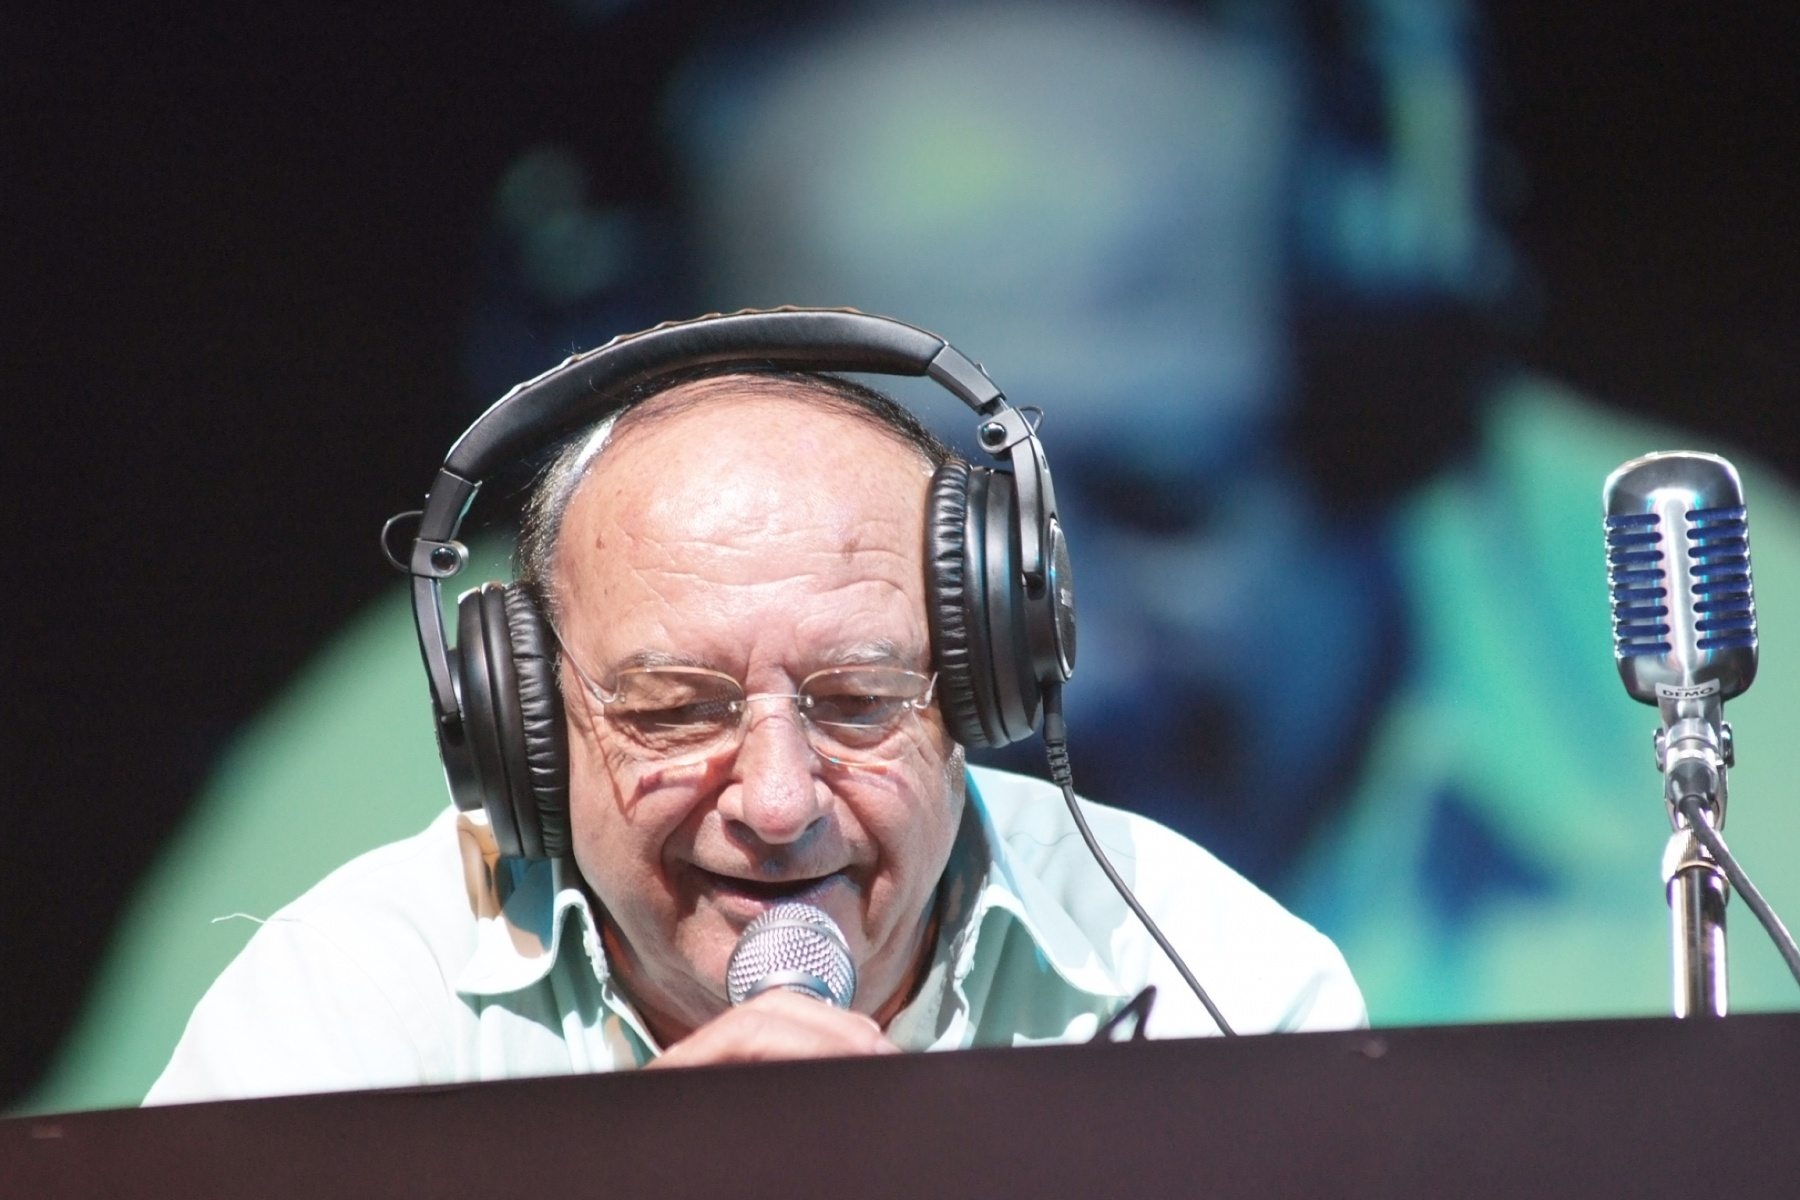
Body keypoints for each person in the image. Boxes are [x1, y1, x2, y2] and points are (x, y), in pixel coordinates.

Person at [145, 356, 1364, 1103]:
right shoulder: (353, 999)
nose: (779, 805)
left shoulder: (1217, 984)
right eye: (674, 711)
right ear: (527, 723)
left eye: (859, 703)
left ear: (978, 687)